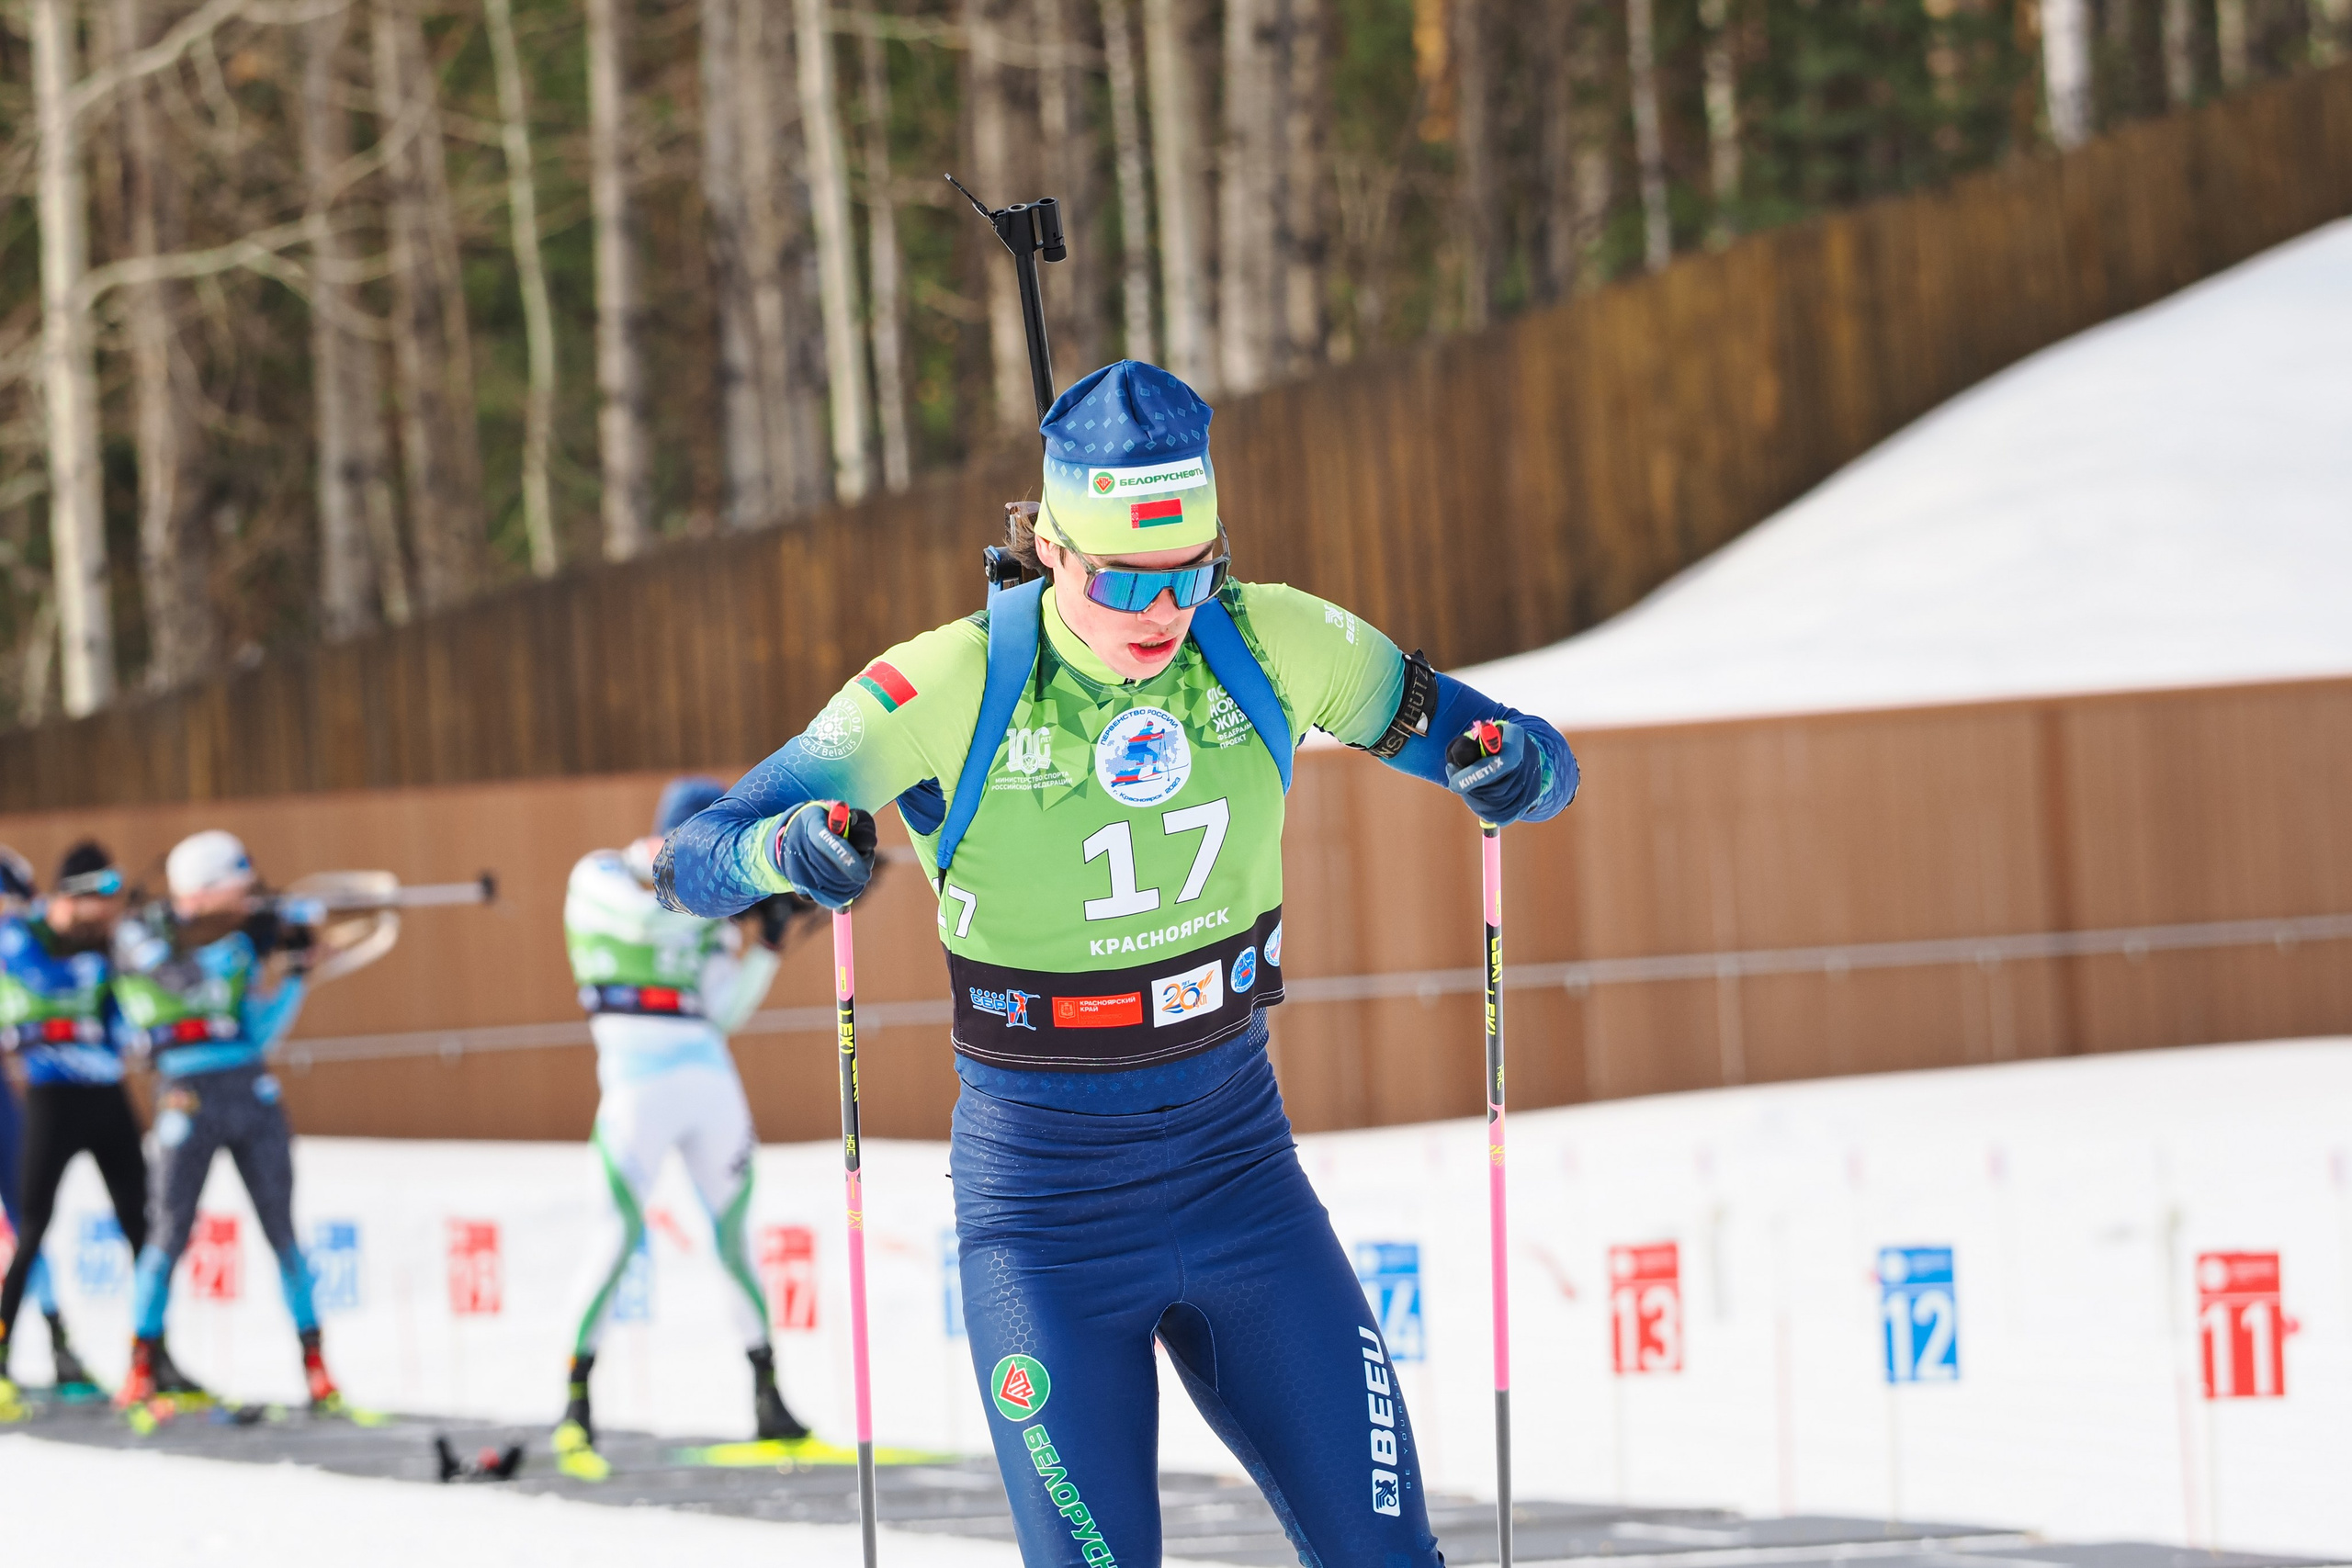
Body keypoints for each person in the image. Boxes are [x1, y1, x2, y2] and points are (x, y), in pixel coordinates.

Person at [659, 360, 1577, 1567]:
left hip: (1244, 1181)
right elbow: (688, 860)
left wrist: (1512, 767)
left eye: (1190, 569)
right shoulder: (947, 683)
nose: (1162, 609)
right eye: (1123, 577)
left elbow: (1527, 754)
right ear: (1046, 545)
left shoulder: (1273, 639)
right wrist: (787, 847)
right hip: (1045, 1220)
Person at [551, 776, 815, 1481]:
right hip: (635, 1083)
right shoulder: (602, 873)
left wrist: (766, 943)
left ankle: (768, 1396)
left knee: (735, 1241)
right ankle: (575, 1402)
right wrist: (736, 901)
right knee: (615, 1238)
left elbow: (722, 1010)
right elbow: (643, 922)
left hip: (707, 1074)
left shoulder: (712, 907)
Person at [109, 829, 338, 1412]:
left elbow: (256, 1032)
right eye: (236, 891)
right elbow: (178, 980)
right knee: (168, 1231)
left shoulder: (240, 944)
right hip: (183, 1095)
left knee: (283, 1230)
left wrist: (294, 972)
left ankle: (317, 1369)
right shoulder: (142, 934)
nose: (246, 903)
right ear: (204, 891)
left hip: (249, 1091)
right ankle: (140, 1369)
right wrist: (244, 940)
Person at [0, 842, 146, 1418]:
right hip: (41, 1089)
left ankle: (63, 1346)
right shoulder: (23, 938)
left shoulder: (44, 930)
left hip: (39, 1092)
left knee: (27, 1221)